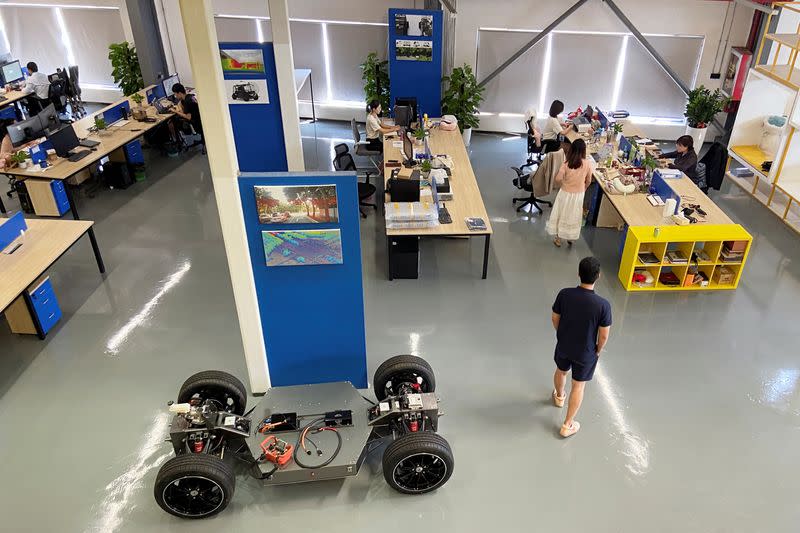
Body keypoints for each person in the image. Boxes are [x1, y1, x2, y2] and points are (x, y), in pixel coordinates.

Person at [551, 257, 612, 438]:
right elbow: (603, 335)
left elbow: (555, 318)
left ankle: (559, 397)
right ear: (598, 276)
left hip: (564, 344)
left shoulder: (565, 294)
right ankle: (567, 424)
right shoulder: (603, 305)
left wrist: (561, 334)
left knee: (561, 370)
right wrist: (598, 350)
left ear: (578, 273)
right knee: (578, 385)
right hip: (585, 352)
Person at [546, 138, 592, 247]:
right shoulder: (587, 164)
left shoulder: (566, 163)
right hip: (578, 195)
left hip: (565, 193)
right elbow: (589, 180)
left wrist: (564, 183)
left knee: (561, 214)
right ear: (583, 151)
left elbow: (557, 178)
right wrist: (584, 188)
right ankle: (571, 237)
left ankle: (558, 239)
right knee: (574, 215)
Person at [171, 83, 204, 150]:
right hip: (201, 119)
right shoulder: (189, 96)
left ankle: (181, 141)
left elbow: (188, 117)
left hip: (197, 123)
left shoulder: (187, 102)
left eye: (175, 94)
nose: (175, 96)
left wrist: (176, 112)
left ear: (179, 93)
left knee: (173, 122)